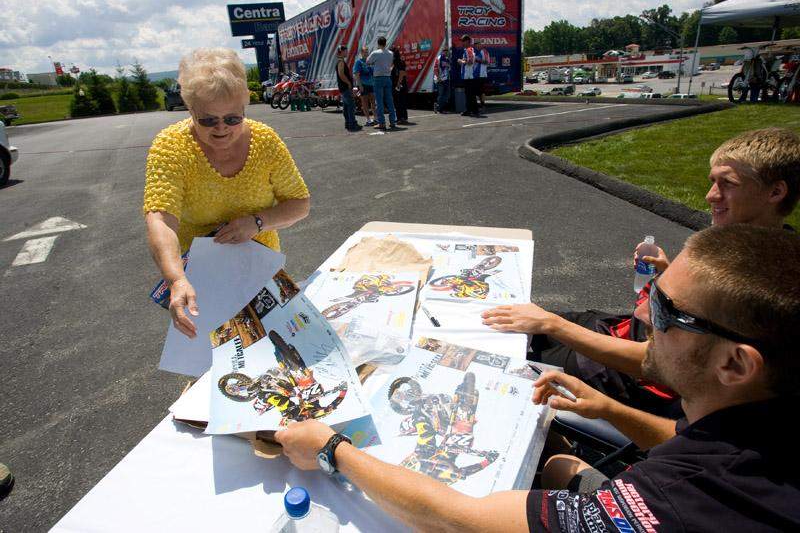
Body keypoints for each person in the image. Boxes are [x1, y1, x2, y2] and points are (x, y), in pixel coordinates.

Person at [274, 224, 800, 532]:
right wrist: (612, 410)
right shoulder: (759, 412)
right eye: (652, 292)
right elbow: (695, 444)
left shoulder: (678, 498)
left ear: (735, 364)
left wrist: (331, 449)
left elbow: (464, 518)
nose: (642, 314)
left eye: (665, 311)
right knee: (561, 464)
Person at [481, 127, 800, 414]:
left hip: (629, 371)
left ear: (775, 193)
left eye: (727, 184)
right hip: (619, 329)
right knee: (512, 321)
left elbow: (657, 363)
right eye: (712, 182)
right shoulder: (755, 248)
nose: (711, 196)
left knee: (501, 358)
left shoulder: (759, 283)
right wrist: (666, 272)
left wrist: (553, 325)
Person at [143, 48, 311, 339]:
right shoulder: (171, 146)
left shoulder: (265, 141)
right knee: (213, 354)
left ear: (245, 105)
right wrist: (177, 279)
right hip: (201, 275)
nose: (221, 128)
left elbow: (300, 204)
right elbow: (160, 219)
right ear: (190, 109)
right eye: (207, 120)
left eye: (233, 118)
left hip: (261, 267)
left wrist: (257, 222)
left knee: (277, 344)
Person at [367, 36, 397, 131]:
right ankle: (392, 121)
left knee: (379, 102)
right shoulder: (391, 53)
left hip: (378, 78)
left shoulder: (375, 53)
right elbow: (391, 64)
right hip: (387, 77)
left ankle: (382, 123)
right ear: (385, 43)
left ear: (378, 44)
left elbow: (368, 61)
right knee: (390, 100)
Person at [335, 45, 361, 132]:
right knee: (351, 106)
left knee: (346, 106)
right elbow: (341, 74)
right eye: (346, 51)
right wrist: (348, 82)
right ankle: (352, 124)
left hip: (343, 87)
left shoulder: (340, 61)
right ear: (341, 51)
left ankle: (348, 123)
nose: (347, 52)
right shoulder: (341, 62)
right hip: (345, 87)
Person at [457, 34, 480, 117]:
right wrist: (463, 60)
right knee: (470, 94)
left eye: (463, 41)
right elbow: (469, 60)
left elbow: (470, 62)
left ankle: (472, 110)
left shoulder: (468, 50)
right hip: (468, 75)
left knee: (470, 94)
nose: (462, 43)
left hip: (469, 76)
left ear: (467, 41)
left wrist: (461, 61)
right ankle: (472, 110)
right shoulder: (468, 50)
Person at [353, 46, 376, 126]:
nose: (366, 53)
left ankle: (375, 118)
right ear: (361, 53)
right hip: (363, 85)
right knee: (365, 103)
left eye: (367, 51)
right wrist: (360, 86)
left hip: (371, 84)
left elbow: (373, 73)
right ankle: (368, 120)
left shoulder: (369, 62)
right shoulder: (358, 62)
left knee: (373, 102)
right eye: (365, 52)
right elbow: (356, 75)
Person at [391, 47, 409, 125]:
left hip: (399, 85)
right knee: (399, 102)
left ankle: (402, 118)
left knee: (400, 102)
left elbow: (402, 73)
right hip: (398, 85)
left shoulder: (400, 62)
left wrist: (398, 84)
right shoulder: (392, 63)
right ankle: (401, 118)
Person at [433, 48, 451, 113]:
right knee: (441, 94)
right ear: (442, 51)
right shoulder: (438, 58)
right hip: (440, 80)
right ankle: (440, 109)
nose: (446, 52)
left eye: (447, 51)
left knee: (447, 95)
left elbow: (448, 69)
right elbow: (435, 69)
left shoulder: (447, 59)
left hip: (446, 79)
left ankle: (437, 106)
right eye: (445, 51)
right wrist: (438, 78)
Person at [473, 40, 490, 108]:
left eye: (477, 44)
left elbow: (487, 62)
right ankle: (476, 104)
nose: (476, 46)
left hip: (481, 74)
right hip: (474, 74)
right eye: (475, 45)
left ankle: (482, 104)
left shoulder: (484, 51)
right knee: (475, 90)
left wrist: (477, 60)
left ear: (480, 45)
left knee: (481, 91)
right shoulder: (474, 52)